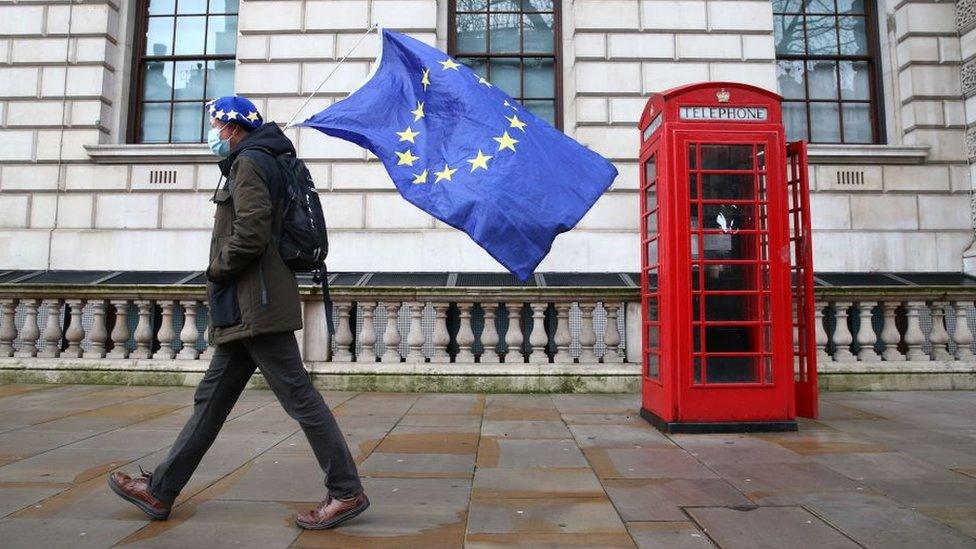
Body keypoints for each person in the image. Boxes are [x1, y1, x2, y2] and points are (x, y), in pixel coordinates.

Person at [108, 96, 368, 530]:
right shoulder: (260, 159)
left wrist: (216, 267)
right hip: (248, 305)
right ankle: (160, 490)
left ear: (232, 127)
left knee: (301, 399)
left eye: (215, 124)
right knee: (211, 402)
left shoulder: (250, 162)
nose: (211, 132)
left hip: (255, 304)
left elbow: (251, 229)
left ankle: (346, 492)